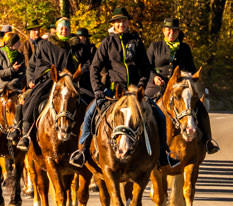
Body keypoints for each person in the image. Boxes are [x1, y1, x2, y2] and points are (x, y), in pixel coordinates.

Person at [71, 10, 174, 169]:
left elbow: (145, 68)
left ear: (128, 22)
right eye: (118, 21)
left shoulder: (136, 42)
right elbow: (94, 68)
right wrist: (97, 89)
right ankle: (83, 150)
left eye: (124, 21)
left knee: (159, 115)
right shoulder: (107, 43)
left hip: (134, 93)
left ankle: (162, 153)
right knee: (90, 113)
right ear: (113, 24)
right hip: (113, 92)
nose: (121, 24)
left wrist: (141, 86)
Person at [150, 17, 218, 154]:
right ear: (163, 31)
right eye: (168, 30)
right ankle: (139, 143)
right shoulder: (155, 47)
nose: (171, 33)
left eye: (174, 31)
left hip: (180, 88)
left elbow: (191, 69)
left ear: (178, 32)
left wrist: (189, 78)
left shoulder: (185, 48)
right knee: (142, 107)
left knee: (200, 108)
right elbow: (145, 67)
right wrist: (154, 77)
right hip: (157, 86)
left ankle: (208, 141)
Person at [14, 17, 74, 150]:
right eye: (62, 28)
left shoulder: (72, 47)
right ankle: (25, 134)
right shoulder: (45, 46)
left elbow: (75, 65)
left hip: (67, 82)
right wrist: (51, 74)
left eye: (67, 29)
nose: (64, 31)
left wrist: (70, 74)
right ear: (57, 30)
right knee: (32, 99)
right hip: (47, 80)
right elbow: (38, 65)